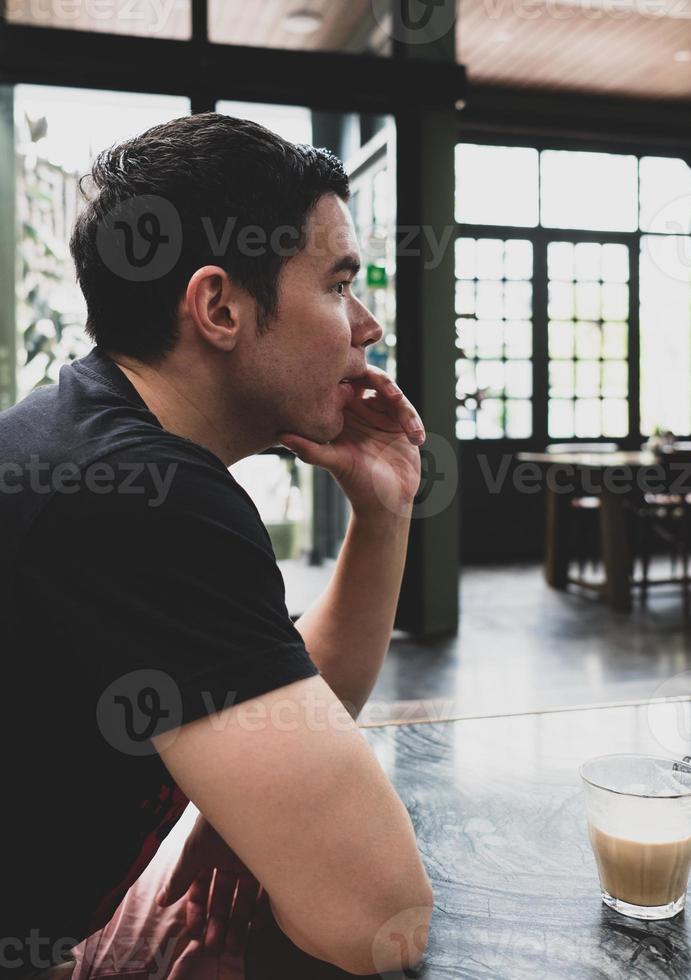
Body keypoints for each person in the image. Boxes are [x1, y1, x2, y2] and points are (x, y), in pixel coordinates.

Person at [2, 112, 433, 979]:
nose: (366, 324)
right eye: (338, 284)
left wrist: (381, 515)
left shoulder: (85, 437)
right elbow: (378, 919)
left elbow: (275, 693)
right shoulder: (142, 500)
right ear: (220, 307)